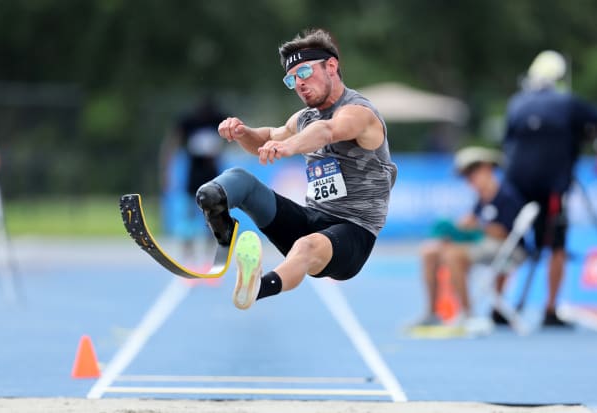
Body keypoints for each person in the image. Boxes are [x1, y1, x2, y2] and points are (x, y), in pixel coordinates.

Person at [195, 28, 397, 310]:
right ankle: (220, 224)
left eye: (304, 73)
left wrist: (289, 147)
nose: (298, 84)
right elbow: (266, 139)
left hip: (353, 234)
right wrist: (241, 132)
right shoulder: (304, 118)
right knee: (237, 180)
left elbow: (328, 130)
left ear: (331, 66)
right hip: (311, 218)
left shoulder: (358, 112)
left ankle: (256, 287)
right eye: (291, 80)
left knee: (305, 247)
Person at [502, 50, 597, 327]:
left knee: (507, 242)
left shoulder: (517, 103)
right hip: (552, 185)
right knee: (557, 246)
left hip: (515, 184)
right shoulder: (567, 102)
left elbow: (507, 142)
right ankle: (550, 309)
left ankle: (498, 304)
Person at [412, 147, 527, 330]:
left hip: (508, 250)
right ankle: (432, 313)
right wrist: (457, 231)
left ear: (486, 169)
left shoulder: (506, 195)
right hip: (485, 245)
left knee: (453, 256)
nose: (469, 181)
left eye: (472, 174)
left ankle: (468, 314)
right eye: (467, 177)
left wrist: (476, 228)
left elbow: (506, 233)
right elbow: (473, 225)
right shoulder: (481, 200)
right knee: (430, 251)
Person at [160, 97, 227, 260]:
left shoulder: (218, 120)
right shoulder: (188, 122)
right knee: (189, 214)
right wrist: (166, 172)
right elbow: (171, 144)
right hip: (194, 177)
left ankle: (210, 251)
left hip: (213, 177)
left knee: (213, 215)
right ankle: (188, 251)